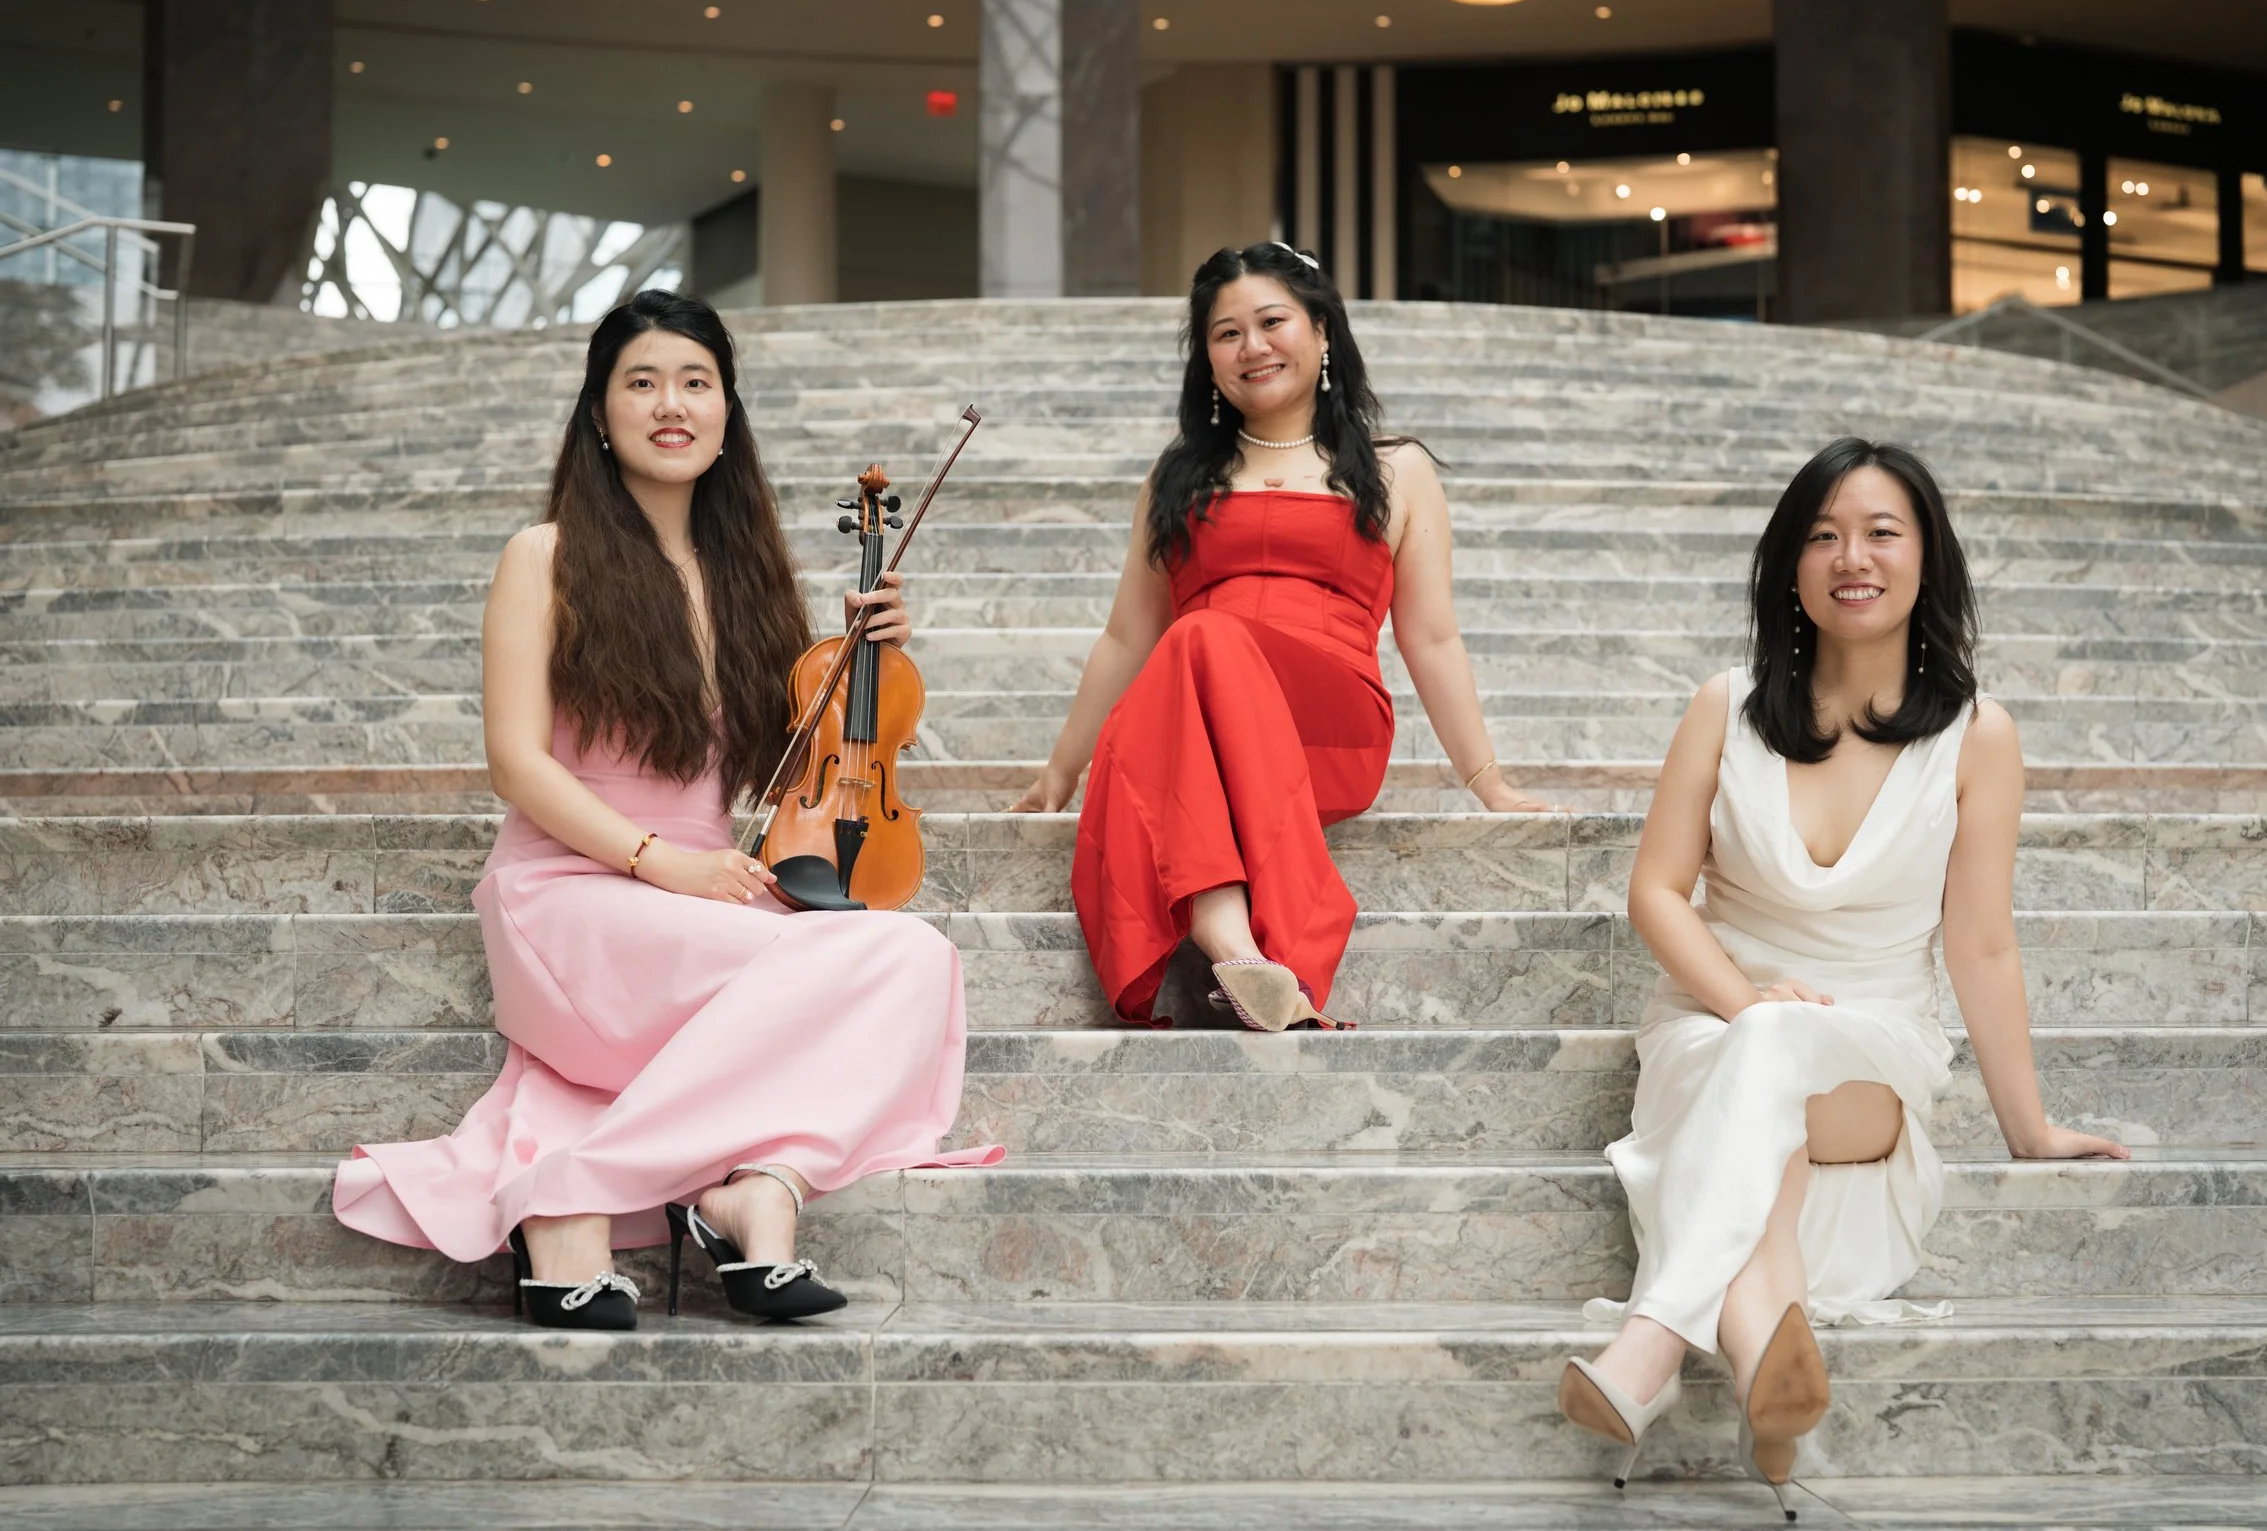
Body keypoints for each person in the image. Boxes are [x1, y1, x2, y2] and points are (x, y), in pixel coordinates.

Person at [333, 290, 996, 1331]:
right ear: (600, 412)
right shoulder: (543, 555)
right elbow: (516, 761)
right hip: (571, 887)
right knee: (847, 970)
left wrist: (873, 655)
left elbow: (793, 768)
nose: (671, 403)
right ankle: (657, 1192)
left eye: (696, 381)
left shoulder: (749, 581)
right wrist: (656, 859)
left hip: (706, 896)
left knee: (914, 956)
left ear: (728, 410)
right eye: (641, 382)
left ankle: (736, 1180)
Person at [1559, 438, 2128, 1508]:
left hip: (1867, 1058)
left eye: (1878, 531)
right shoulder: (1723, 706)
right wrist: (1742, 999)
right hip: (1708, 1031)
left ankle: (1651, 1343)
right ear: (1787, 564)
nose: (1848, 555)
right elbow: (1655, 892)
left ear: (1927, 559)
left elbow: (1981, 941)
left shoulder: (1975, 735)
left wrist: (2029, 1124)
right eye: (1820, 534)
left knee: (1772, 1054)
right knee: (1757, 1068)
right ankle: (1770, 1386)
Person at [1008, 243, 1544, 1031]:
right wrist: (1059, 773)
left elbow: (1431, 639)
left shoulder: (1397, 473)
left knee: (1202, 636)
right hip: (1195, 728)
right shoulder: (1178, 477)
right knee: (1193, 645)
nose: (1251, 347)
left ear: (1322, 331)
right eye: (1226, 334)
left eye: (1271, 322)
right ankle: (1230, 936)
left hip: (1326, 732)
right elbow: (1127, 637)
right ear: (1209, 362)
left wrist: (1489, 780)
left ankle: (1230, 925)